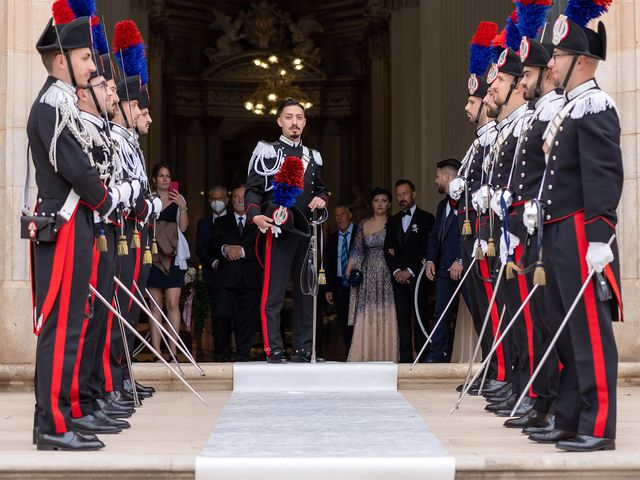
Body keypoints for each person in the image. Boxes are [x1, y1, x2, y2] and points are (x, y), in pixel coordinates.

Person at [28, 13, 129, 451]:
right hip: (66, 223)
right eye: (85, 57)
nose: (92, 66)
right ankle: (52, 422)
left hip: (77, 222)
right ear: (60, 60)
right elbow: (77, 168)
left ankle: (63, 414)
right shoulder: (52, 105)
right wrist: (106, 200)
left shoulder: (64, 103)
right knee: (63, 326)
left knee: (74, 323)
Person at [524, 13, 622, 452]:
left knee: (587, 330)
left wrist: (601, 235)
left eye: (558, 57)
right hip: (557, 229)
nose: (552, 66)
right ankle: (569, 416)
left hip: (582, 232)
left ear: (580, 60)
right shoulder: (570, 106)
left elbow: (603, 174)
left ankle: (598, 423)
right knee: (563, 329)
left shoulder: (595, 105)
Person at [245, 97, 328, 363]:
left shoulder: (312, 156)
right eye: (289, 117)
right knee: (274, 293)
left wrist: (322, 199)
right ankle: (275, 349)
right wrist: (255, 216)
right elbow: (253, 190)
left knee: (306, 292)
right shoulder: (268, 151)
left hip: (307, 232)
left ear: (305, 122)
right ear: (279, 121)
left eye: (299, 117)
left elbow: (321, 189)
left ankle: (304, 349)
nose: (294, 122)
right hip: (278, 230)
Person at [383, 180, 435, 362]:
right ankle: (405, 360)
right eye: (398, 195)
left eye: (405, 193)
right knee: (402, 319)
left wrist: (411, 271)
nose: (401, 198)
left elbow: (428, 249)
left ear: (413, 194)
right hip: (398, 279)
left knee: (420, 317)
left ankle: (424, 357)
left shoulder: (426, 218)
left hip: (418, 277)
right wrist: (397, 271)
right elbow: (386, 249)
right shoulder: (393, 220)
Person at [209, 185, 261, 361]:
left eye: (243, 197)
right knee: (221, 315)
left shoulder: (257, 222)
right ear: (231, 200)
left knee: (247, 319)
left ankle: (242, 355)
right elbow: (213, 245)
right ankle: (221, 354)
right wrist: (225, 249)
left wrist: (243, 251)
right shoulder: (221, 222)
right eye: (236, 197)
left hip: (249, 278)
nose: (240, 200)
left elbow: (263, 249)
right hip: (226, 278)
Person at [346, 188, 398, 361]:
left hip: (387, 273)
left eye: (384, 200)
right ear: (372, 203)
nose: (380, 203)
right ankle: (365, 353)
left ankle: (386, 354)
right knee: (367, 312)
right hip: (368, 274)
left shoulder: (394, 223)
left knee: (386, 311)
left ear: (389, 204)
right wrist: (349, 268)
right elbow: (357, 250)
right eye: (377, 200)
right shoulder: (364, 224)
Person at [147, 164, 190, 357]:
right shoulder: (148, 199)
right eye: (161, 176)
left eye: (168, 176)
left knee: (173, 303)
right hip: (154, 255)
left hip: (173, 255)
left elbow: (184, 228)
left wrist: (183, 207)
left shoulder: (178, 199)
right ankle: (156, 352)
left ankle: (173, 351)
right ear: (154, 179)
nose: (165, 179)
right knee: (155, 304)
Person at [424, 159, 463, 362]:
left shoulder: (468, 201)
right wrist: (430, 259)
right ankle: (436, 355)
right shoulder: (442, 206)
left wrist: (460, 259)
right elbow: (434, 235)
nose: (435, 180)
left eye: (438, 176)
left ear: (447, 177)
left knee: (477, 312)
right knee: (440, 313)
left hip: (464, 268)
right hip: (443, 269)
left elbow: (472, 235)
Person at [195, 185, 228, 354]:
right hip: (213, 275)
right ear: (209, 201)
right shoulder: (203, 223)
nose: (217, 202)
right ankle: (220, 351)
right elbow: (200, 248)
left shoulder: (233, 220)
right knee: (218, 314)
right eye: (213, 199)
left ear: (226, 200)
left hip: (232, 275)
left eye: (220, 199)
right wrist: (213, 262)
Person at [324, 205, 358, 353]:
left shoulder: (360, 233)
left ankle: (360, 352)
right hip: (338, 285)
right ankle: (350, 352)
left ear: (350, 215)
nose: (339, 218)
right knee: (343, 321)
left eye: (342, 214)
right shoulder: (332, 238)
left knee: (358, 321)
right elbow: (328, 265)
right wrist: (328, 288)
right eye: (336, 216)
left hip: (357, 283)